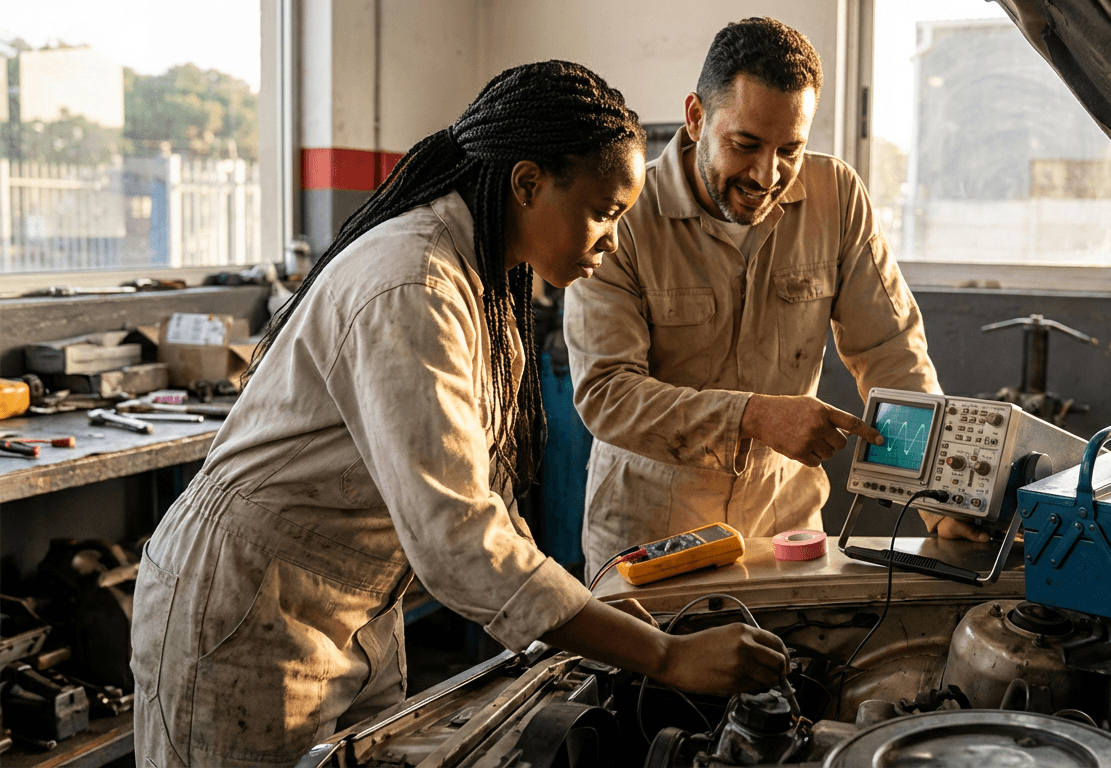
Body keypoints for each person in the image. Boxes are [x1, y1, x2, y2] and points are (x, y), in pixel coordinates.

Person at [130, 61, 787, 767]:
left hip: (347, 606)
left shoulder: (479, 271)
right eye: (604, 212)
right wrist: (663, 654)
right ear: (529, 184)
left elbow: (484, 497)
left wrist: (596, 620)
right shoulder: (411, 281)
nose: (614, 241)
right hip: (243, 607)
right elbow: (459, 539)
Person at [566, 18, 987, 576]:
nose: (768, 175)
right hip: (651, 535)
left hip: (784, 529)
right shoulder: (623, 214)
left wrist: (934, 499)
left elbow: (892, 353)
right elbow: (607, 394)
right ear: (696, 118)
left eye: (791, 149)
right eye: (745, 145)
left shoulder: (836, 198)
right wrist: (753, 416)